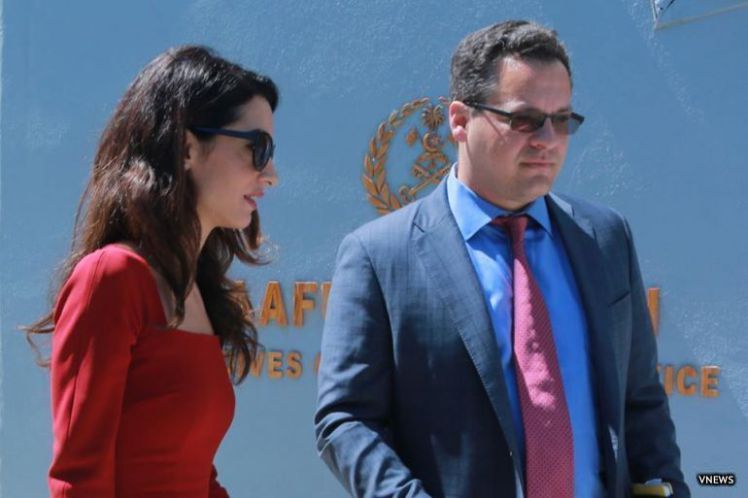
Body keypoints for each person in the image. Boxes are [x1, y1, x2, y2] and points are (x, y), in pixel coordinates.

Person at [315, 20, 689, 498]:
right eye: (524, 119)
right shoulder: (380, 255)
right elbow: (346, 420)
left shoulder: (605, 237)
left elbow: (640, 400)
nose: (547, 139)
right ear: (459, 120)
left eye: (562, 120)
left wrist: (665, 487)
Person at [25, 45, 279, 497]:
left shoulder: (196, 290)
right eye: (257, 149)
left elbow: (196, 474)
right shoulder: (113, 277)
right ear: (187, 148)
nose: (271, 173)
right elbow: (78, 481)